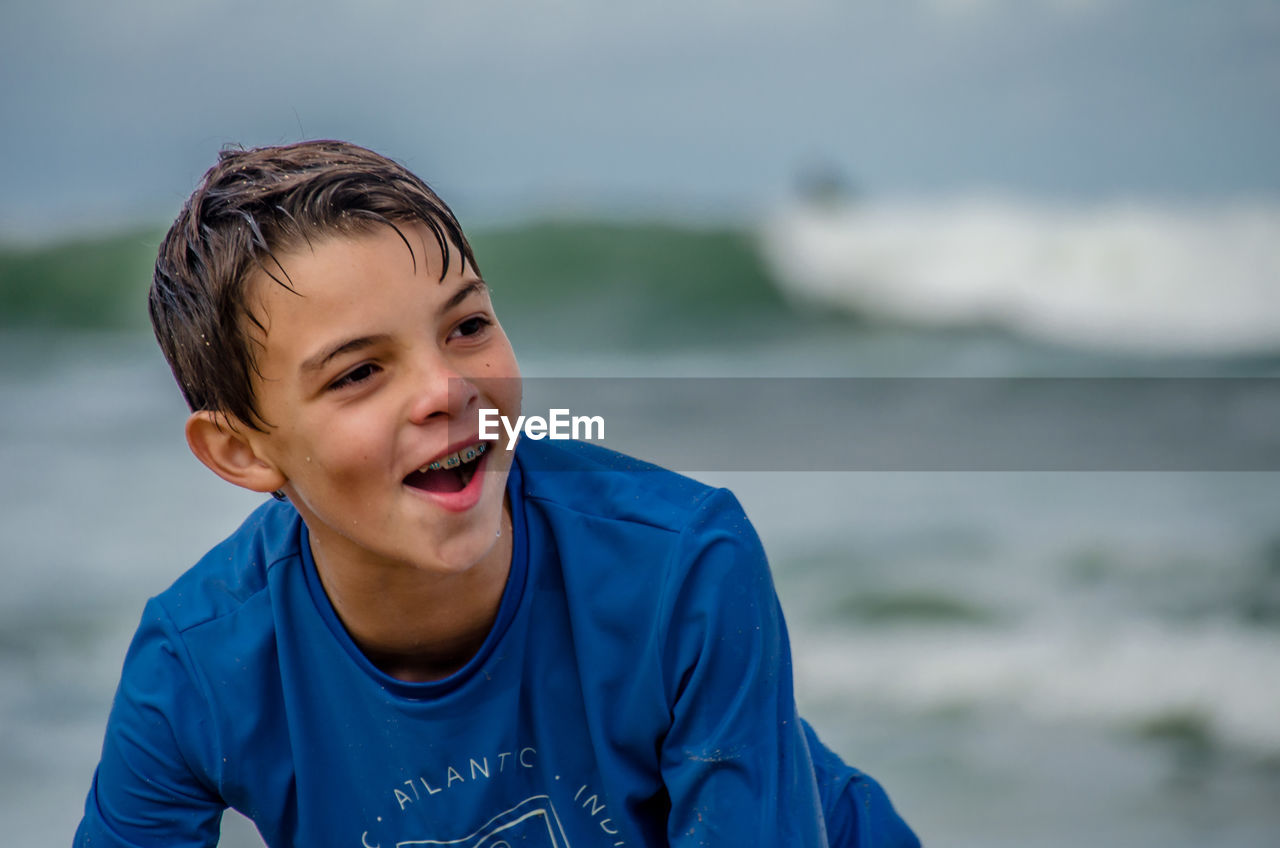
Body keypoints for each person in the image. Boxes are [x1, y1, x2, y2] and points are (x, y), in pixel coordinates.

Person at [75, 140, 918, 847]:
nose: (446, 388)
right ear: (241, 449)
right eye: (360, 372)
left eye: (467, 326)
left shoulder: (681, 568)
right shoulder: (198, 667)